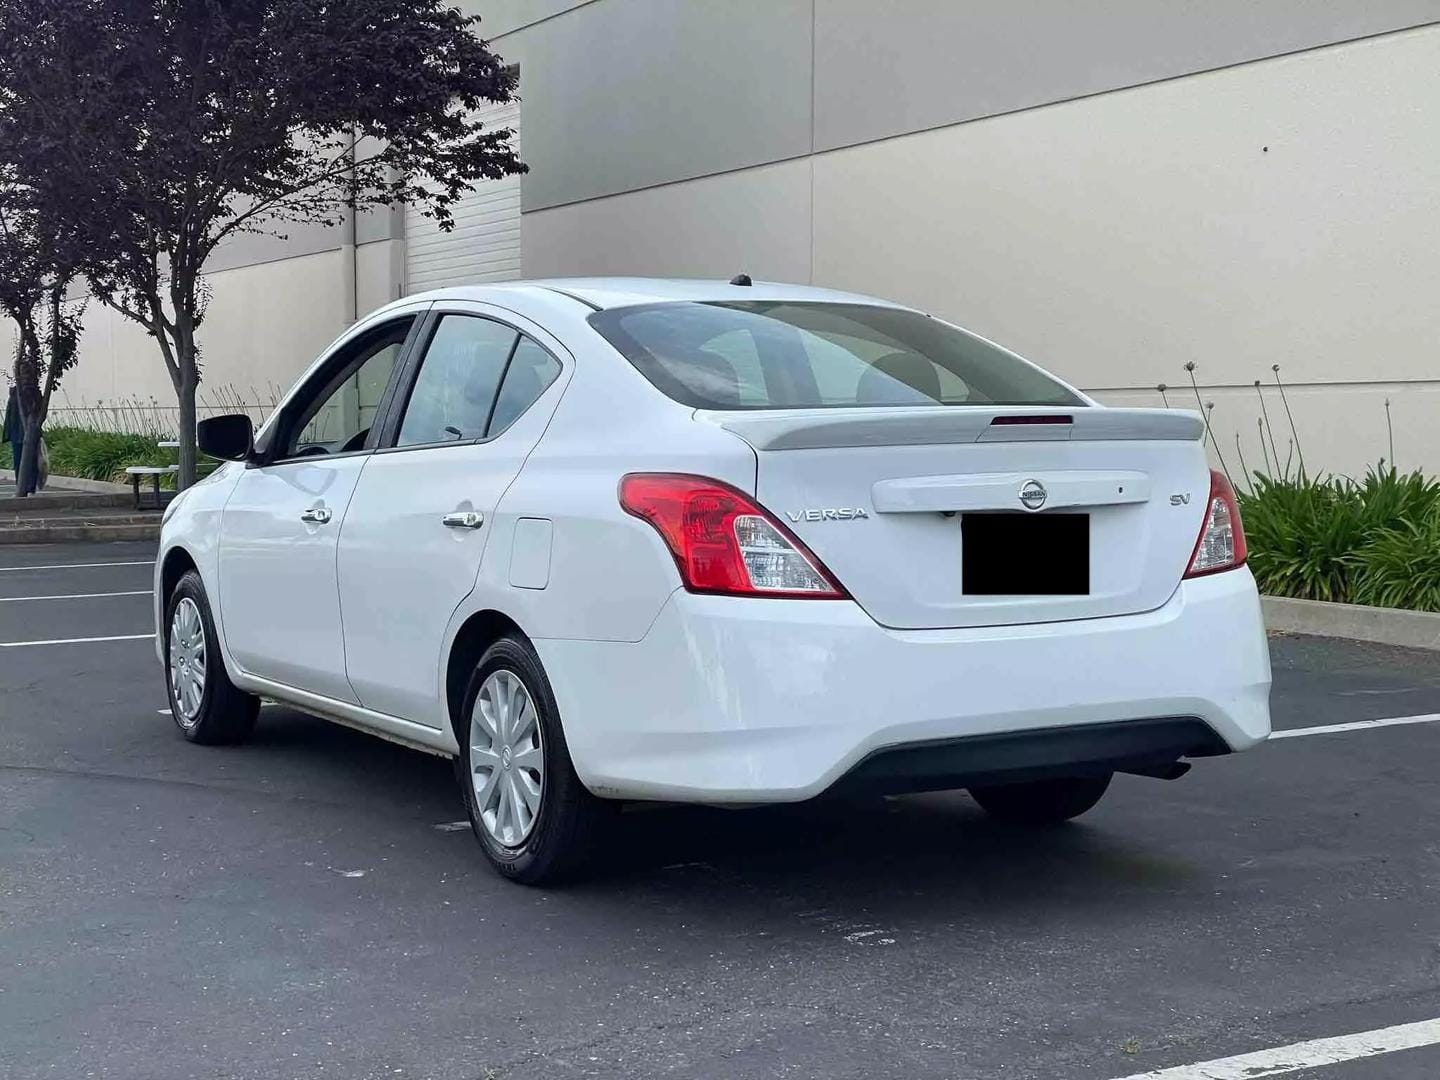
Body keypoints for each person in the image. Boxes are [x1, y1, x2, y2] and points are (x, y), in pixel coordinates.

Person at [2, 386, 22, 481]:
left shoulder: (14, 395)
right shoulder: (15, 394)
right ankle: (25, 484)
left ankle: (22, 484)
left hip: (17, 433)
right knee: (21, 459)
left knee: (19, 459)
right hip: (18, 432)